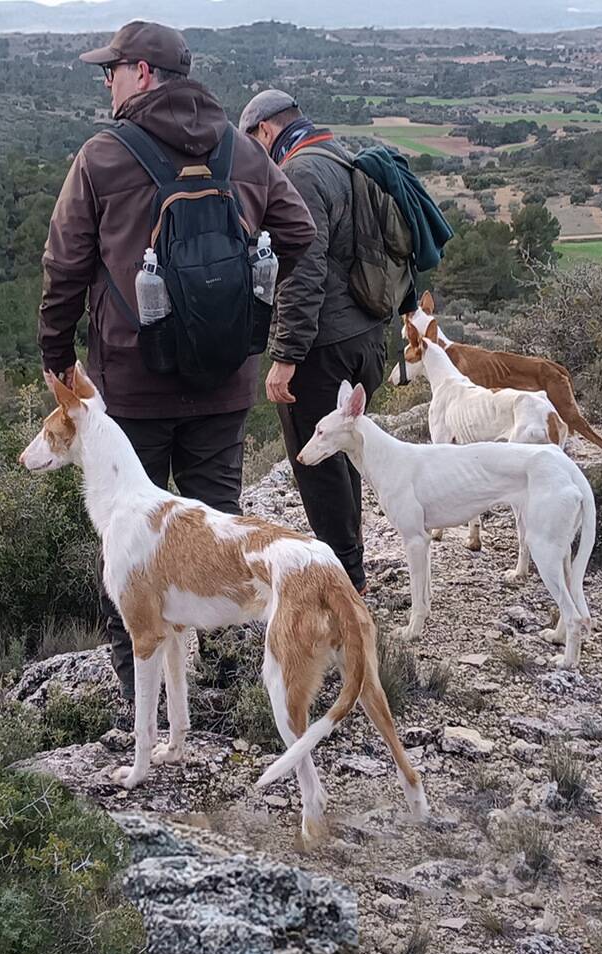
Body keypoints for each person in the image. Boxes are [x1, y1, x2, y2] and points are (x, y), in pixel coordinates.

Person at [39, 21, 316, 701]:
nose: (106, 81)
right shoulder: (241, 152)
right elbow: (302, 236)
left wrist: (56, 354)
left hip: (130, 383)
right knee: (215, 528)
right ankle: (215, 680)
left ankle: (145, 697)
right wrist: (268, 322)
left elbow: (64, 265)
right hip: (225, 380)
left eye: (112, 70)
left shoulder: (103, 155)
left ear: (143, 72)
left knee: (128, 544)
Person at [239, 88, 389, 594]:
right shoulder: (340, 155)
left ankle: (342, 582)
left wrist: (285, 355)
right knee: (343, 451)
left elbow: (302, 272)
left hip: (325, 346)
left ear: (264, 131)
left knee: (317, 460)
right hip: (369, 336)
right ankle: (352, 567)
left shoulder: (298, 173)